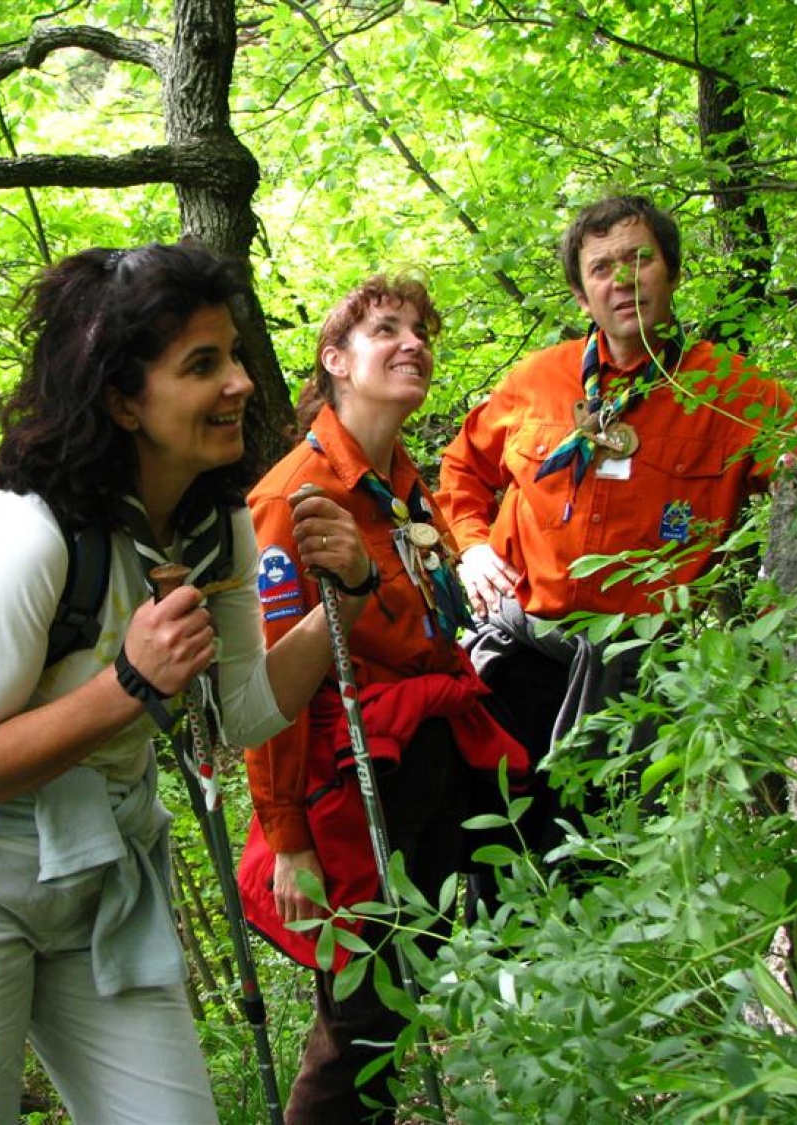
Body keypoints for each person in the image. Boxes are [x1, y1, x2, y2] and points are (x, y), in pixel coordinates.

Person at [0, 242, 375, 1124]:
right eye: (201, 365)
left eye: (234, 358)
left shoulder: (214, 524)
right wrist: (130, 684)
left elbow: (246, 712)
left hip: (98, 872)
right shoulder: (27, 536)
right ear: (121, 400)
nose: (242, 384)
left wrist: (351, 600)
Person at [238, 276, 528, 1124]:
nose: (413, 343)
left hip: (427, 766)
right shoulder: (290, 497)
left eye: (422, 332)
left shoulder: (404, 486)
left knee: (407, 997)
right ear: (335, 361)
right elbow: (269, 688)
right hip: (350, 788)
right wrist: (287, 838)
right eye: (385, 330)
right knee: (362, 1019)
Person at [436, 194, 797, 858]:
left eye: (641, 259)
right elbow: (461, 465)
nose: (624, 280)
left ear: (673, 272)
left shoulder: (732, 391)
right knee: (498, 853)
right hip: (518, 659)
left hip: (632, 679)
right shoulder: (539, 380)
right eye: (602, 268)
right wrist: (472, 544)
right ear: (582, 293)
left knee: (602, 856)